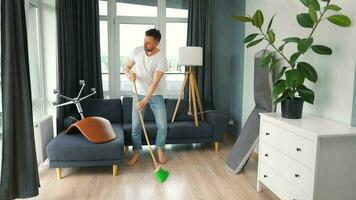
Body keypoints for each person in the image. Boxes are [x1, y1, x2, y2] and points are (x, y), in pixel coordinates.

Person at [124, 28, 168, 167]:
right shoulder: (137, 51)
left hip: (155, 95)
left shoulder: (161, 59)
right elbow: (126, 67)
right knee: (136, 126)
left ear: (156, 43)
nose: (145, 45)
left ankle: (159, 148)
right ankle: (136, 152)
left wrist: (145, 101)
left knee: (162, 125)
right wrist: (129, 74)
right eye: (144, 41)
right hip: (137, 94)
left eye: (148, 43)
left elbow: (155, 83)